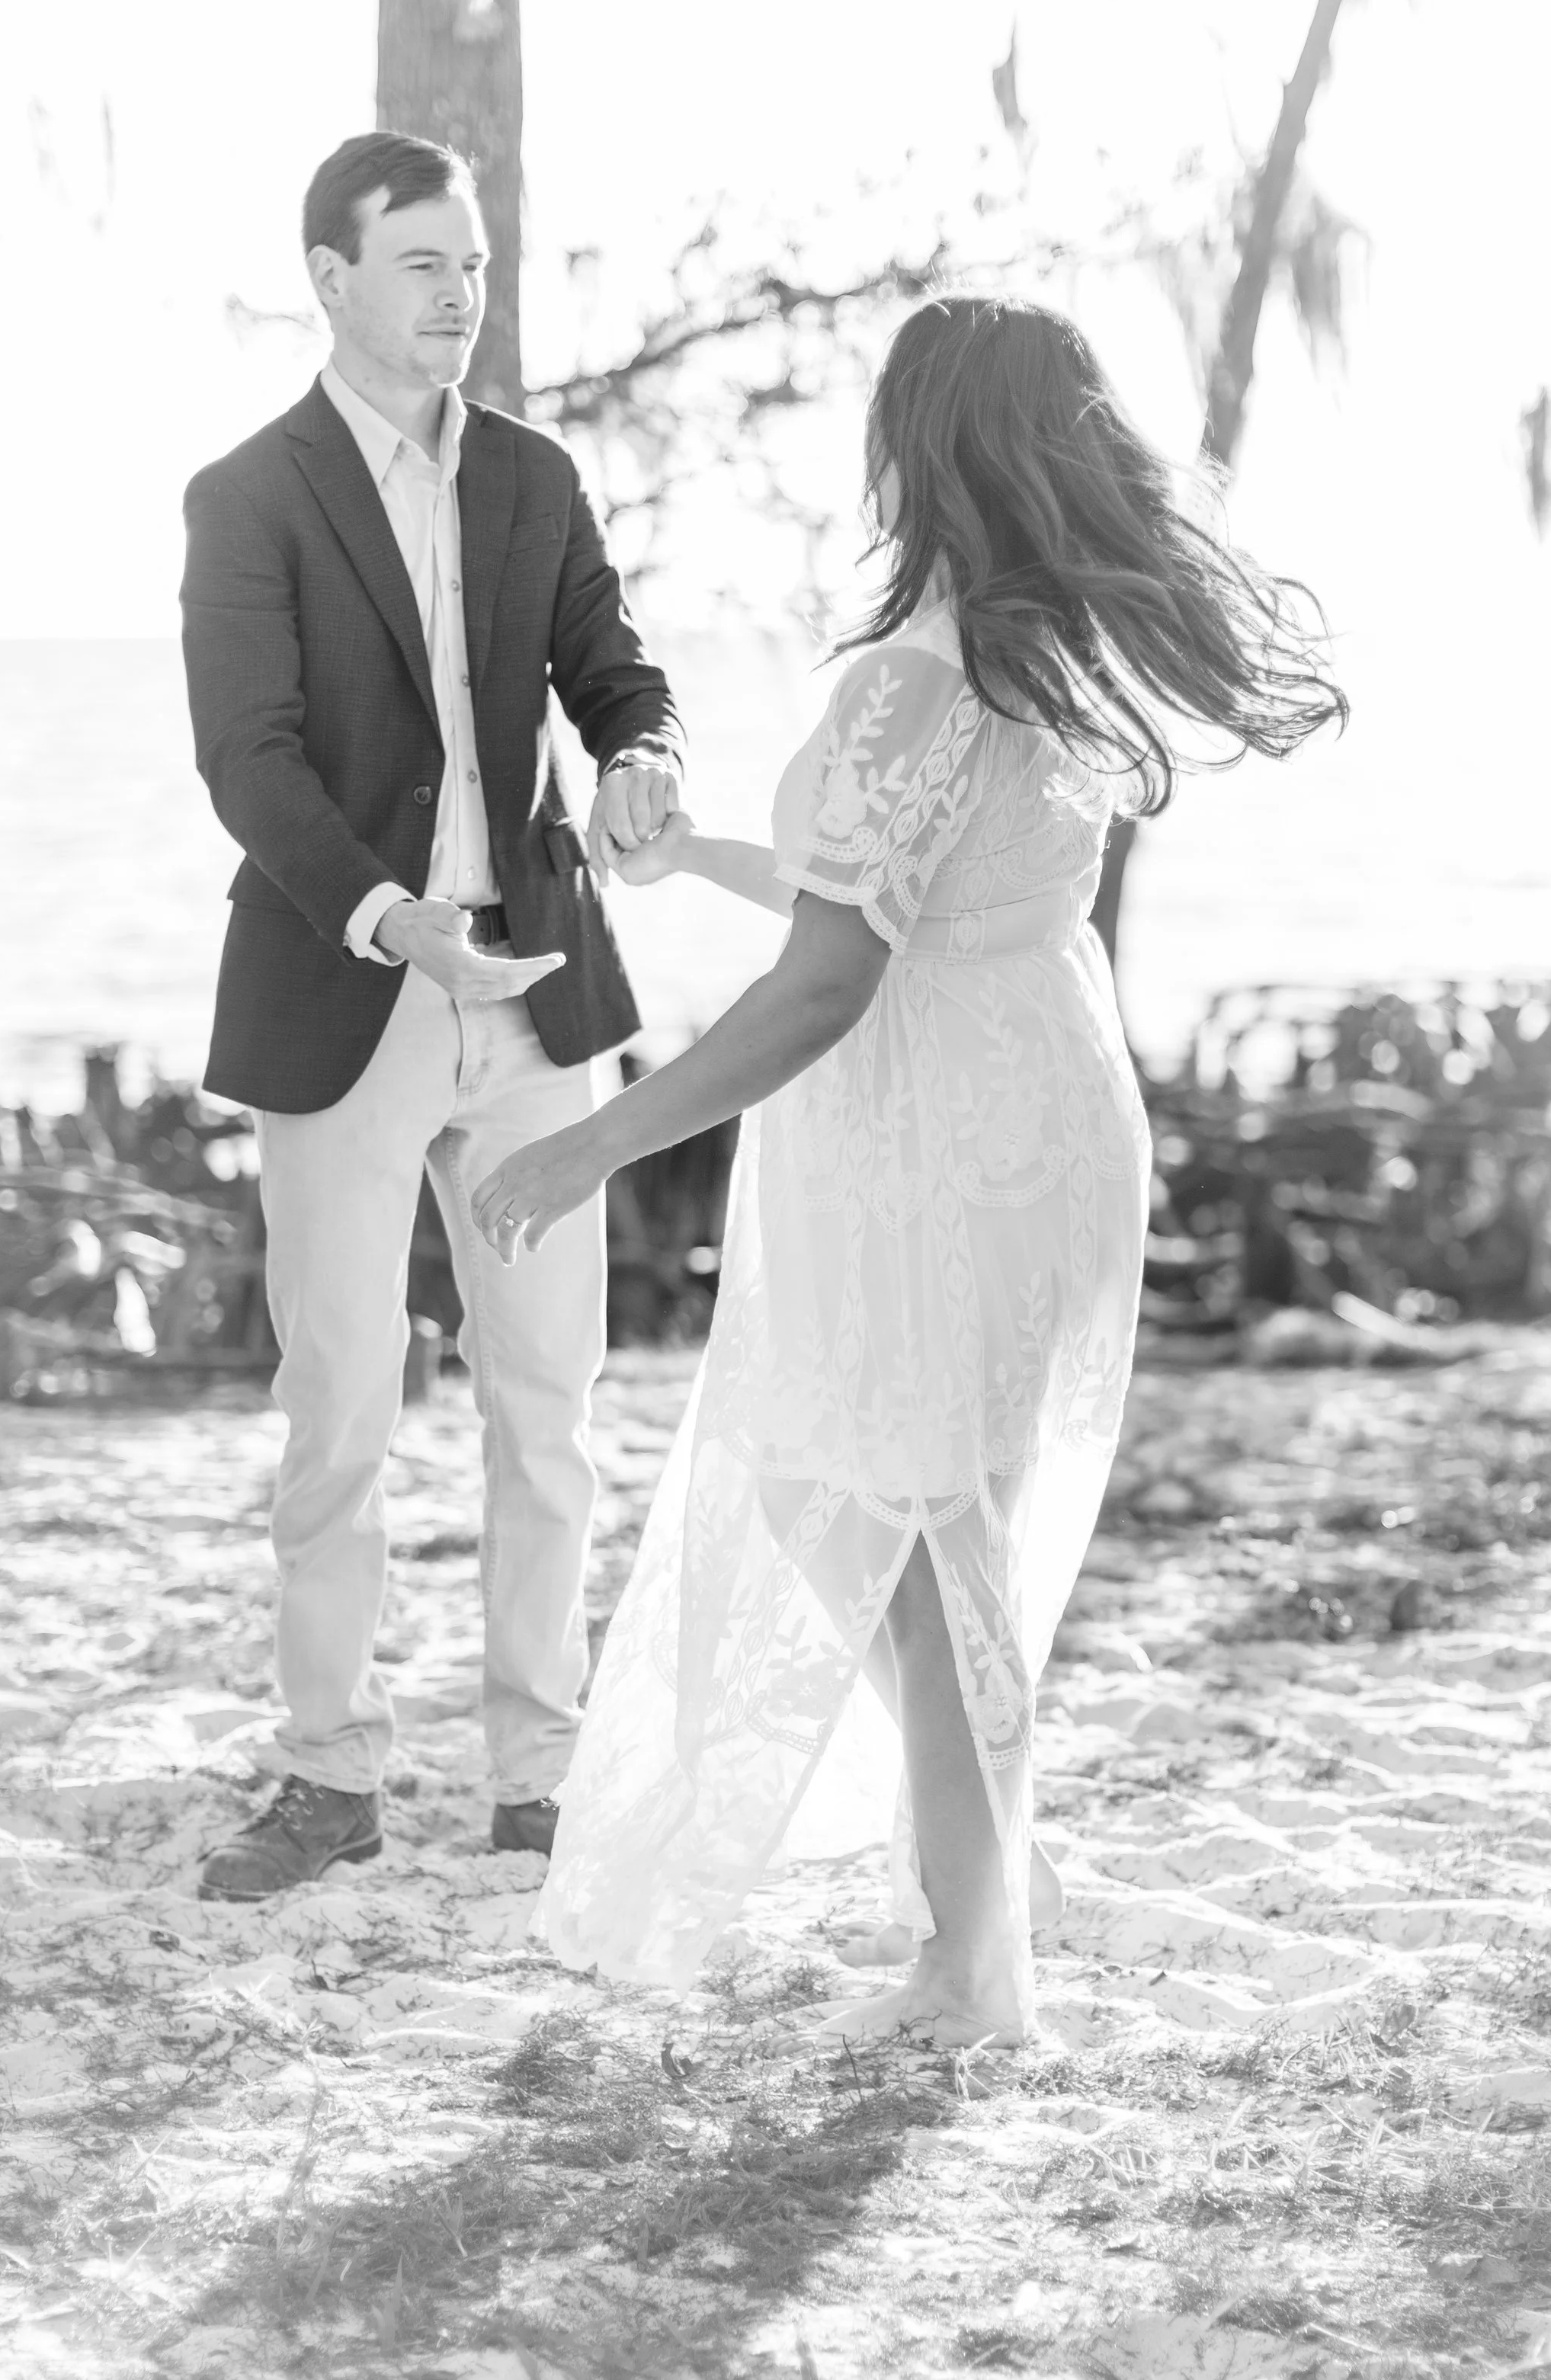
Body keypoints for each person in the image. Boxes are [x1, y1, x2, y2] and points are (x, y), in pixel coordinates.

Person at [471, 296, 1345, 2047]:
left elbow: (825, 981)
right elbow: (899, 895)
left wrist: (592, 1144)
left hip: (930, 1136)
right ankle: (973, 1921)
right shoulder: (1048, 659)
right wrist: (697, 856)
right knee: (917, 1521)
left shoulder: (919, 671)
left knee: (898, 1526)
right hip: (1038, 1106)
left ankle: (968, 1965)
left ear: (918, 447)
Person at [180, 132, 682, 1901]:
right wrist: (397, 927)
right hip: (352, 991)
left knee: (549, 1400)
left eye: (471, 264)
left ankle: (539, 1771)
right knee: (340, 1404)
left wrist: (641, 753)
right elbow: (249, 763)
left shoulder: (535, 479)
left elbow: (612, 666)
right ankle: (327, 1776)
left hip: (539, 994)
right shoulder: (247, 500)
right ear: (331, 275)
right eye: (421, 265)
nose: (459, 294)